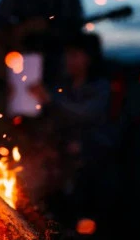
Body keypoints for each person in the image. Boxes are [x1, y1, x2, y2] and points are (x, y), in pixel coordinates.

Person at [27, 33, 117, 227]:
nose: (69, 60)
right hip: (63, 150)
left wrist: (51, 101)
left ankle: (86, 222)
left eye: (74, 55)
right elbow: (53, 121)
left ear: (89, 58)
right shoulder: (63, 87)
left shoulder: (100, 87)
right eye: (67, 55)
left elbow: (84, 114)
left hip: (94, 151)